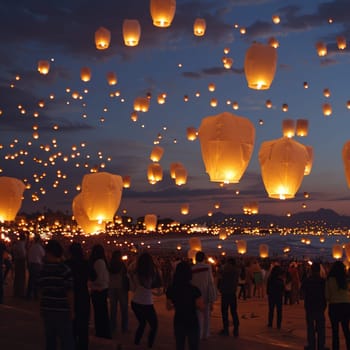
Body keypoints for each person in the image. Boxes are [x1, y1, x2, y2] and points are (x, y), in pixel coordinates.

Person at [38, 239, 75, 350]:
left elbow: (40, 291)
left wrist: (41, 307)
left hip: (48, 309)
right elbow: (69, 292)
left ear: (49, 253)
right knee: (66, 339)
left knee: (51, 340)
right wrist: (72, 310)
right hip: (62, 310)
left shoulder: (43, 270)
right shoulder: (65, 270)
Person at [166, 261, 204, 350]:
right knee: (193, 345)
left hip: (179, 319)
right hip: (192, 320)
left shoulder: (171, 289)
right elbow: (201, 307)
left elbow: (168, 307)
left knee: (180, 345)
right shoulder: (194, 290)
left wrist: (177, 304)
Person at [129, 252, 162, 348]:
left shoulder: (136, 273)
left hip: (135, 302)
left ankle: (136, 342)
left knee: (142, 323)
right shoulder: (151, 273)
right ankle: (149, 345)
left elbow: (134, 288)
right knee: (154, 326)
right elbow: (151, 287)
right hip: (146, 303)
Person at [66, 242, 90, 350]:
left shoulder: (67, 264)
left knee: (72, 326)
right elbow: (94, 276)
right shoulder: (85, 263)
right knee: (84, 326)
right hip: (83, 296)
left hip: (71, 295)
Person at [301, 262, 328, 350]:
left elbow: (301, 293)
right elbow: (326, 294)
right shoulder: (323, 281)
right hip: (320, 306)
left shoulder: (307, 280)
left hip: (310, 306)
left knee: (310, 327)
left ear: (311, 270)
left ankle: (311, 345)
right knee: (321, 328)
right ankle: (321, 346)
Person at [191, 251, 217, 340]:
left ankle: (199, 333)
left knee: (198, 316)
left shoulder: (192, 269)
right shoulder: (207, 267)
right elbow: (211, 282)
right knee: (206, 316)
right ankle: (206, 334)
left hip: (196, 296)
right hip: (206, 294)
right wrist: (213, 297)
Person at [326, 261, 350, 350]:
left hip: (334, 306)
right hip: (346, 305)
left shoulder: (330, 279)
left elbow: (327, 295)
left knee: (335, 332)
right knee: (346, 330)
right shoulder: (346, 279)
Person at [89, 244, 111, 339]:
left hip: (96, 290)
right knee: (102, 313)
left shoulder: (95, 262)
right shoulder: (100, 262)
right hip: (100, 290)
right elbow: (99, 278)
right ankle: (103, 332)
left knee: (99, 313)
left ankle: (100, 331)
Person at [217, 257, 240, 337]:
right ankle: (236, 329)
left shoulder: (225, 270)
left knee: (224, 312)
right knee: (234, 312)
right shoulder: (236, 271)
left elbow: (219, 277)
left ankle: (226, 329)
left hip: (225, 293)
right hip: (232, 293)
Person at [109, 250, 129, 334]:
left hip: (112, 288)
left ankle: (113, 326)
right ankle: (124, 328)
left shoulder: (109, 265)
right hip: (121, 288)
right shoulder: (122, 265)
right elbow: (125, 275)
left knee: (113, 309)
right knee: (124, 309)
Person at [26, 234, 45, 299]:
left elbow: (28, 255)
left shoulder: (32, 247)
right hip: (37, 265)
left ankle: (29, 294)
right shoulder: (39, 247)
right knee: (36, 280)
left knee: (31, 280)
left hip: (31, 264)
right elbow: (43, 256)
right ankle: (35, 295)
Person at [266, 265, 284, 329]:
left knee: (271, 310)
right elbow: (282, 288)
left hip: (271, 296)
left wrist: (268, 293)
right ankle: (278, 324)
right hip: (278, 296)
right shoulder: (280, 280)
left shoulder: (270, 278)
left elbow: (268, 287)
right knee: (279, 311)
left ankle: (270, 323)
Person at [12, 231, 27, 297]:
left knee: (17, 277)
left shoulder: (18, 244)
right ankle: (19, 293)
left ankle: (16, 292)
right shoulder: (21, 244)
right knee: (20, 277)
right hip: (20, 261)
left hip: (17, 261)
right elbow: (23, 254)